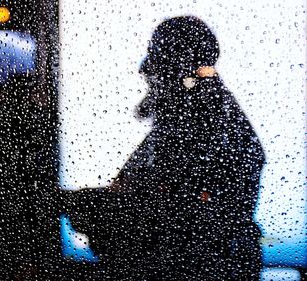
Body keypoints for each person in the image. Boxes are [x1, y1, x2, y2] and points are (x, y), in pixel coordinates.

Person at [103, 16, 266, 280]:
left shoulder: (204, 125)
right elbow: (126, 189)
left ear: (180, 68)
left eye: (157, 58)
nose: (144, 70)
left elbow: (161, 212)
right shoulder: (188, 119)